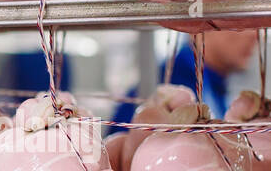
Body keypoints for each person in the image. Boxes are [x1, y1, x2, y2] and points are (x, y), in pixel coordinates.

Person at [111, 29, 259, 128]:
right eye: (238, 23)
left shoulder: (216, 83)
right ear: (201, 28)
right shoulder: (171, 83)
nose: (255, 35)